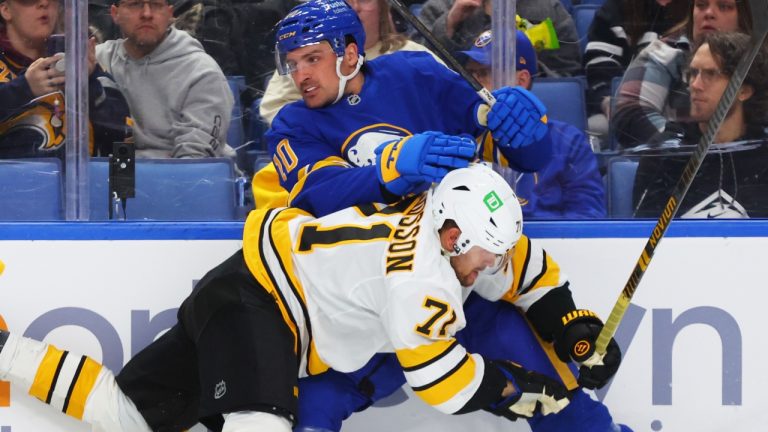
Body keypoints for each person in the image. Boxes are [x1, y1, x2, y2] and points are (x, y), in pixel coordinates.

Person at [0, 164, 590, 431]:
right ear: (455, 236)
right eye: (487, 251)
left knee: (126, 416)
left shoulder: (438, 214)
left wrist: (567, 323)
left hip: (238, 283)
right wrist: (514, 391)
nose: (492, 264)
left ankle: (3, 351)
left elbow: (517, 263)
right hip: (261, 309)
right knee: (260, 424)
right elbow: (440, 384)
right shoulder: (421, 280)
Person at [262, 2, 627, 431]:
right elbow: (319, 198)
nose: (300, 75)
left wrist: (523, 128)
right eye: (293, 64)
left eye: (311, 58)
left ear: (348, 51)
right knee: (307, 414)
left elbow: (524, 154)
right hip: (368, 307)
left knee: (563, 406)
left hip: (460, 285)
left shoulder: (415, 73)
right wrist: (391, 168)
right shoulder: (291, 126)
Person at [460, 29, 606, 219]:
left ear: (521, 80)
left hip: (545, 245)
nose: (473, 84)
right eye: (470, 74)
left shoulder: (568, 142)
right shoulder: (459, 136)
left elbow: (588, 218)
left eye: (483, 73)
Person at [632, 31, 768, 218]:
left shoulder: (763, 153)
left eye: (711, 74)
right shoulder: (666, 153)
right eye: (693, 73)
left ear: (743, 90)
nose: (695, 85)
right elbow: (641, 237)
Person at [259, 0, 439, 126]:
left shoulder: (414, 55)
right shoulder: (305, 56)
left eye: (364, 0)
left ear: (382, 8)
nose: (353, 8)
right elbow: (274, 111)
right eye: (342, 1)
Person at [95, 0, 236, 159]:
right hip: (119, 175)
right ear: (115, 14)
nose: (146, 14)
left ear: (170, 15)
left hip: (177, 178)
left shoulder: (201, 71)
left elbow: (195, 161)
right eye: (135, 4)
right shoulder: (96, 61)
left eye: (156, 5)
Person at [611, 0, 753, 148]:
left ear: (745, 17)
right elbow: (630, 114)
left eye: (724, 7)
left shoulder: (760, 57)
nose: (709, 14)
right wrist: (685, 143)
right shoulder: (664, 53)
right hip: (677, 163)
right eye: (701, 5)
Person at [0, 0, 130, 158]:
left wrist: (88, 82)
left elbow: (121, 138)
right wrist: (23, 89)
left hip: (80, 180)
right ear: (6, 10)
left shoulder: (78, 60)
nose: (44, 3)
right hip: (12, 180)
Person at [582, 0, 690, 138]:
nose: (708, 11)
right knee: (598, 128)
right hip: (625, 105)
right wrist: (610, 102)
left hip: (681, 112)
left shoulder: (698, 11)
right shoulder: (616, 8)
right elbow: (599, 69)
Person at [414, 0, 582, 77]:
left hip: (530, 107)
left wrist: (530, 66)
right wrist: (449, 24)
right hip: (458, 109)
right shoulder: (438, 8)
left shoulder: (548, 9)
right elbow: (416, 70)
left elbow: (568, 77)